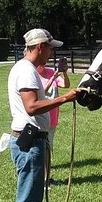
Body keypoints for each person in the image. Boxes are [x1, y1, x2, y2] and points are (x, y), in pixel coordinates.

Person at [7, 28, 79, 202]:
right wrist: (65, 99)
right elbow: (32, 106)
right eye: (50, 47)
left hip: (31, 141)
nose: (51, 52)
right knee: (28, 200)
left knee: (30, 198)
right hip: (30, 144)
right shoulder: (26, 71)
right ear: (40, 47)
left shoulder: (24, 69)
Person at [36, 57, 70, 188]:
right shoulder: (34, 76)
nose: (42, 65)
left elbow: (66, 85)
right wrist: (54, 76)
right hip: (41, 118)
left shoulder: (50, 71)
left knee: (49, 148)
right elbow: (42, 93)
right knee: (43, 149)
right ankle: (43, 179)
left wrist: (64, 73)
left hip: (53, 117)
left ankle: (46, 178)